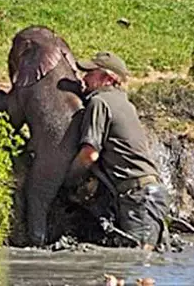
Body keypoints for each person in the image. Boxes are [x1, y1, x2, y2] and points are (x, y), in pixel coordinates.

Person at [64, 51, 169, 251]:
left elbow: (90, 154)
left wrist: (68, 181)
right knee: (144, 263)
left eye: (90, 73)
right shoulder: (126, 104)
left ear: (108, 79)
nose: (83, 78)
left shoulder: (99, 102)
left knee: (138, 261)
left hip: (139, 199)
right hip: (151, 195)